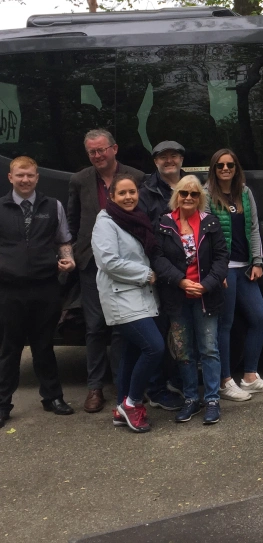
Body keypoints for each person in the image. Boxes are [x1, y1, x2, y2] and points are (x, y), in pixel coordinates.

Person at [67, 129, 144, 413]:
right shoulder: (79, 180)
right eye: (92, 152)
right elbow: (73, 223)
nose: (98, 156)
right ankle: (95, 388)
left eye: (102, 150)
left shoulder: (137, 176)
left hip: (127, 265)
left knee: (124, 328)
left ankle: (122, 386)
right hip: (91, 265)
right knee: (95, 327)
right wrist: (73, 255)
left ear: (114, 149)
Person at [0, 156, 76, 428]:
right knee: (10, 347)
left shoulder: (52, 206)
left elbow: (63, 240)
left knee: (44, 345)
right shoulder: (1, 207)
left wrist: (68, 259)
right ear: (10, 177)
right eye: (20, 175)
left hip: (45, 287)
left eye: (30, 175)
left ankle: (53, 397)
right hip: (9, 290)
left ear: (37, 177)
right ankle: (3, 404)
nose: (25, 180)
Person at [154, 175, 228, 424]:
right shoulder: (164, 223)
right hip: (177, 298)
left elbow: (221, 258)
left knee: (209, 350)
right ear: (176, 197)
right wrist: (181, 281)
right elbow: (158, 258)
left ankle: (212, 400)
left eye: (194, 194)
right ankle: (190, 399)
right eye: (184, 193)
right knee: (184, 352)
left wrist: (206, 286)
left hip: (206, 298)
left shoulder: (211, 223)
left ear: (200, 198)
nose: (188, 198)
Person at [92, 174, 164, 433]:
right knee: (154, 348)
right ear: (111, 197)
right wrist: (146, 274)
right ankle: (133, 403)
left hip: (141, 295)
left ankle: (122, 407)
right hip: (121, 296)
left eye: (132, 192)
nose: (128, 197)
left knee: (133, 353)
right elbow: (108, 261)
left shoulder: (136, 220)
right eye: (121, 193)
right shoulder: (106, 223)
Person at [206, 149, 263, 401]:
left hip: (245, 268)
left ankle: (249, 377)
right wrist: (215, 271)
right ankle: (225, 381)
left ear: (236, 168)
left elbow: (255, 229)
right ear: (213, 169)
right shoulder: (206, 195)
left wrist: (257, 261)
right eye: (220, 166)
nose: (225, 169)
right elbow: (204, 237)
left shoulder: (245, 193)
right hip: (223, 271)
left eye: (230, 165)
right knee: (224, 326)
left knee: (260, 318)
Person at [137, 140, 187, 412]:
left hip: (190, 272)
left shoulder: (193, 185)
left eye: (174, 156)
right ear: (155, 162)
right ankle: (156, 389)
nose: (169, 161)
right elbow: (147, 234)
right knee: (160, 331)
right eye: (163, 157)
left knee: (181, 331)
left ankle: (178, 382)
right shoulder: (146, 192)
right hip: (161, 272)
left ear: (181, 159)